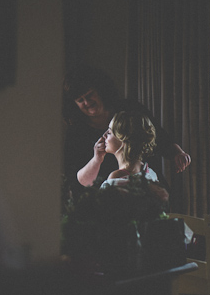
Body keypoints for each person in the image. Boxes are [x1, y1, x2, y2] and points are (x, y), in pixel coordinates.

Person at [62, 64, 190, 198]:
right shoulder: (76, 133)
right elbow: (76, 180)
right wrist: (96, 159)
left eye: (89, 95)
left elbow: (160, 137)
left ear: (99, 90)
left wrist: (178, 153)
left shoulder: (130, 111)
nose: (87, 102)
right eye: (80, 100)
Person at [95, 110, 159, 189]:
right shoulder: (151, 173)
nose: (104, 136)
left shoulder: (117, 177)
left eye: (109, 132)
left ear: (123, 139)